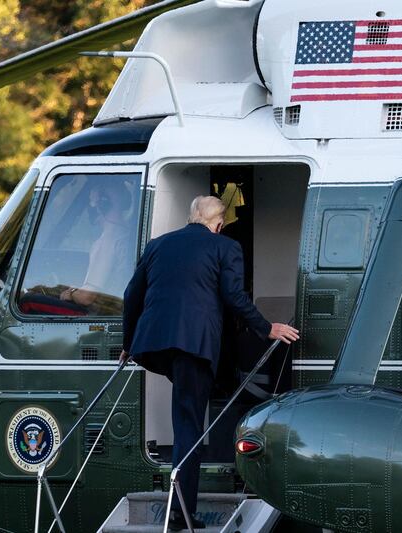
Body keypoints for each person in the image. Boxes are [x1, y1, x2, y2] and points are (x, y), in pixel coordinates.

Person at [121, 195, 299, 531]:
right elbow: (233, 296)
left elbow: (132, 294)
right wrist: (267, 328)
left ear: (192, 217)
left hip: (155, 346)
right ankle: (179, 515)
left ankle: (178, 505)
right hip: (194, 346)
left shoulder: (158, 244)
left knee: (184, 411)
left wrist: (128, 344)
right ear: (218, 224)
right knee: (189, 425)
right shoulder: (225, 247)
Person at [60, 180, 134, 310]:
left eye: (92, 202)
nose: (91, 207)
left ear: (102, 204)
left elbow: (86, 297)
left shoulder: (107, 241)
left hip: (108, 312)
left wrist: (70, 293)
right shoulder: (127, 235)